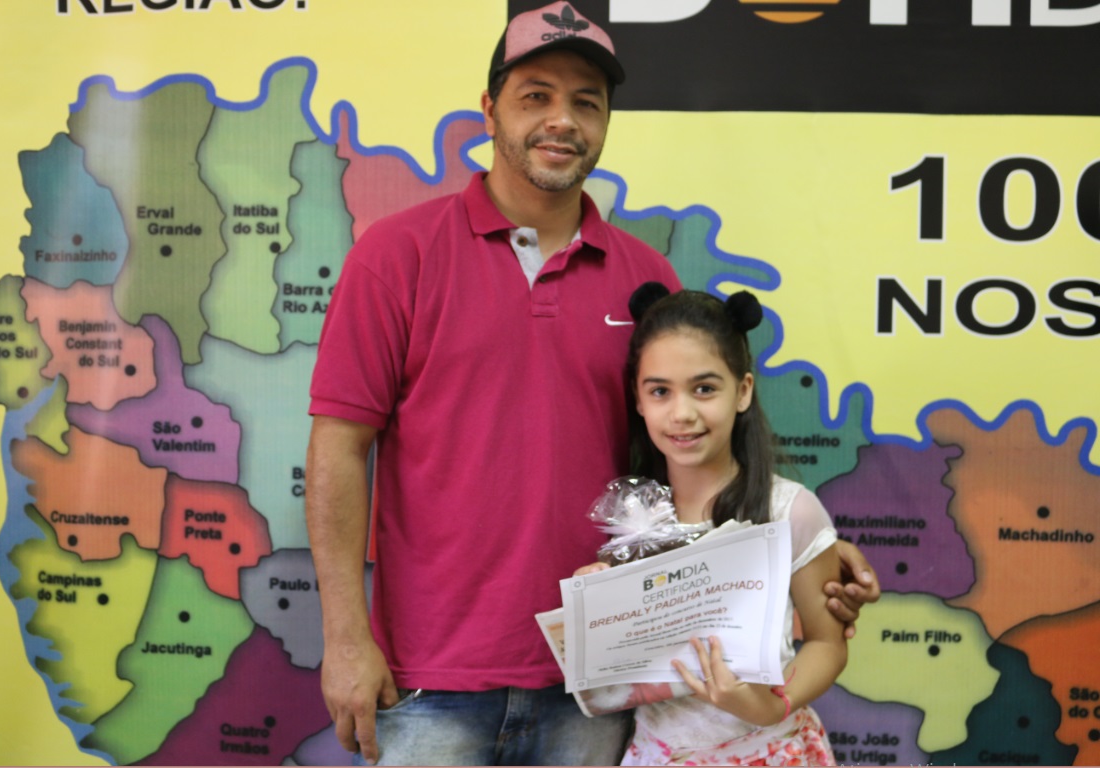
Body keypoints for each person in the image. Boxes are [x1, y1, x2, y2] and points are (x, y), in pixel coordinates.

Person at [305, 3, 878, 766]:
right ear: (490, 109)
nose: (562, 120)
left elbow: (692, 465)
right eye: (535, 96)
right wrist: (346, 637)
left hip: (601, 688)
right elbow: (339, 448)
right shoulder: (395, 257)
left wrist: (805, 557)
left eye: (586, 102)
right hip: (428, 681)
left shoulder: (646, 278)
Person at [577, 283, 847, 766]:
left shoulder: (789, 509)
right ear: (638, 399)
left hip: (769, 750)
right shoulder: (632, 517)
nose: (682, 414)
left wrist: (773, 704)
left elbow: (828, 642)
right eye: (660, 391)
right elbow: (621, 667)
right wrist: (594, 609)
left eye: (704, 389)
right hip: (660, 753)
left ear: (742, 391)